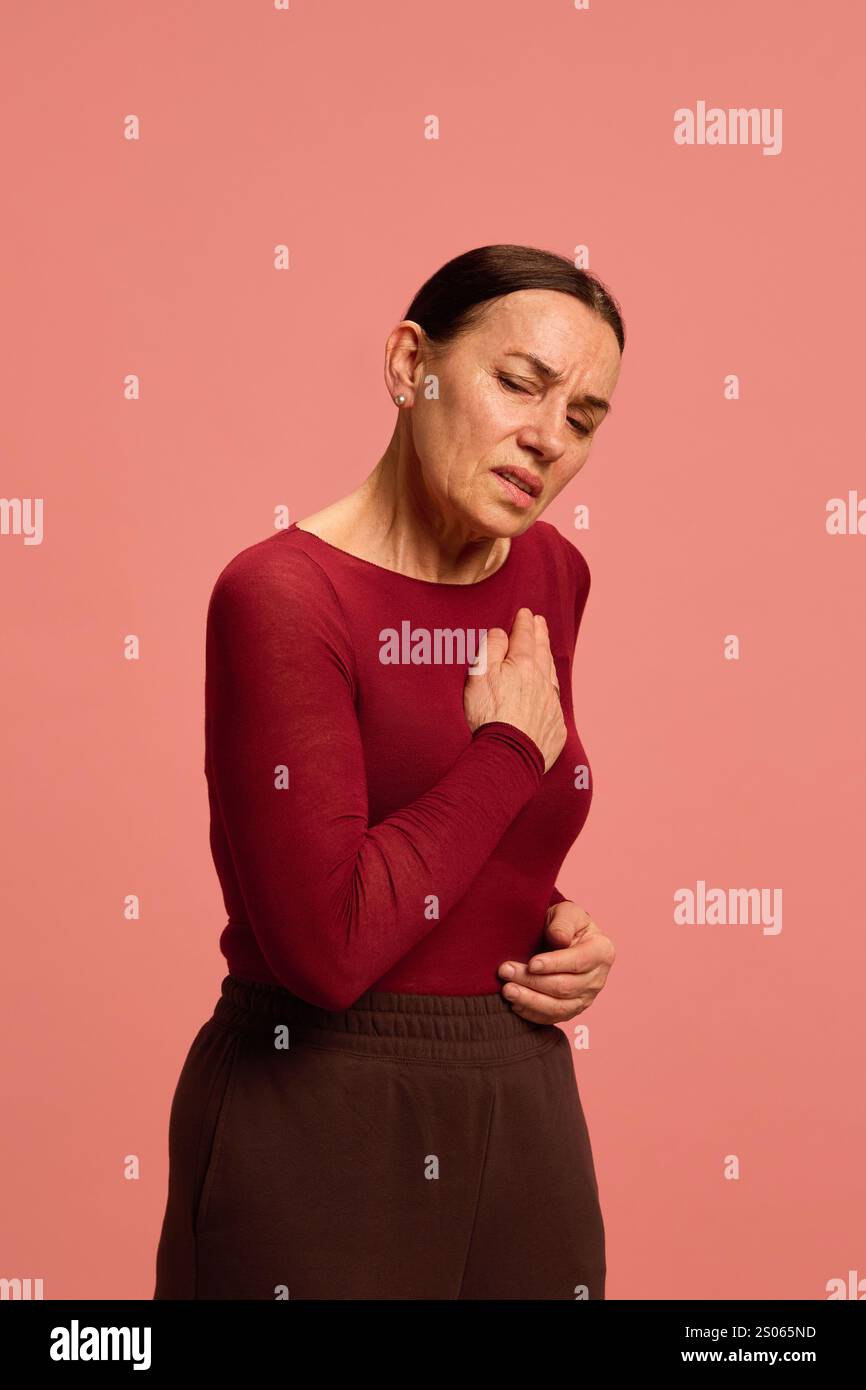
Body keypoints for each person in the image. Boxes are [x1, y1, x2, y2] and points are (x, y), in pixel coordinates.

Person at [153, 243, 622, 1300]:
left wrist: (551, 925)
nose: (547, 438)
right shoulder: (280, 596)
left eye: (584, 417)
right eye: (518, 384)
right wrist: (504, 754)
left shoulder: (552, 573)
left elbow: (473, 842)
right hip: (322, 1104)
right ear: (412, 362)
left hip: (523, 1103)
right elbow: (325, 945)